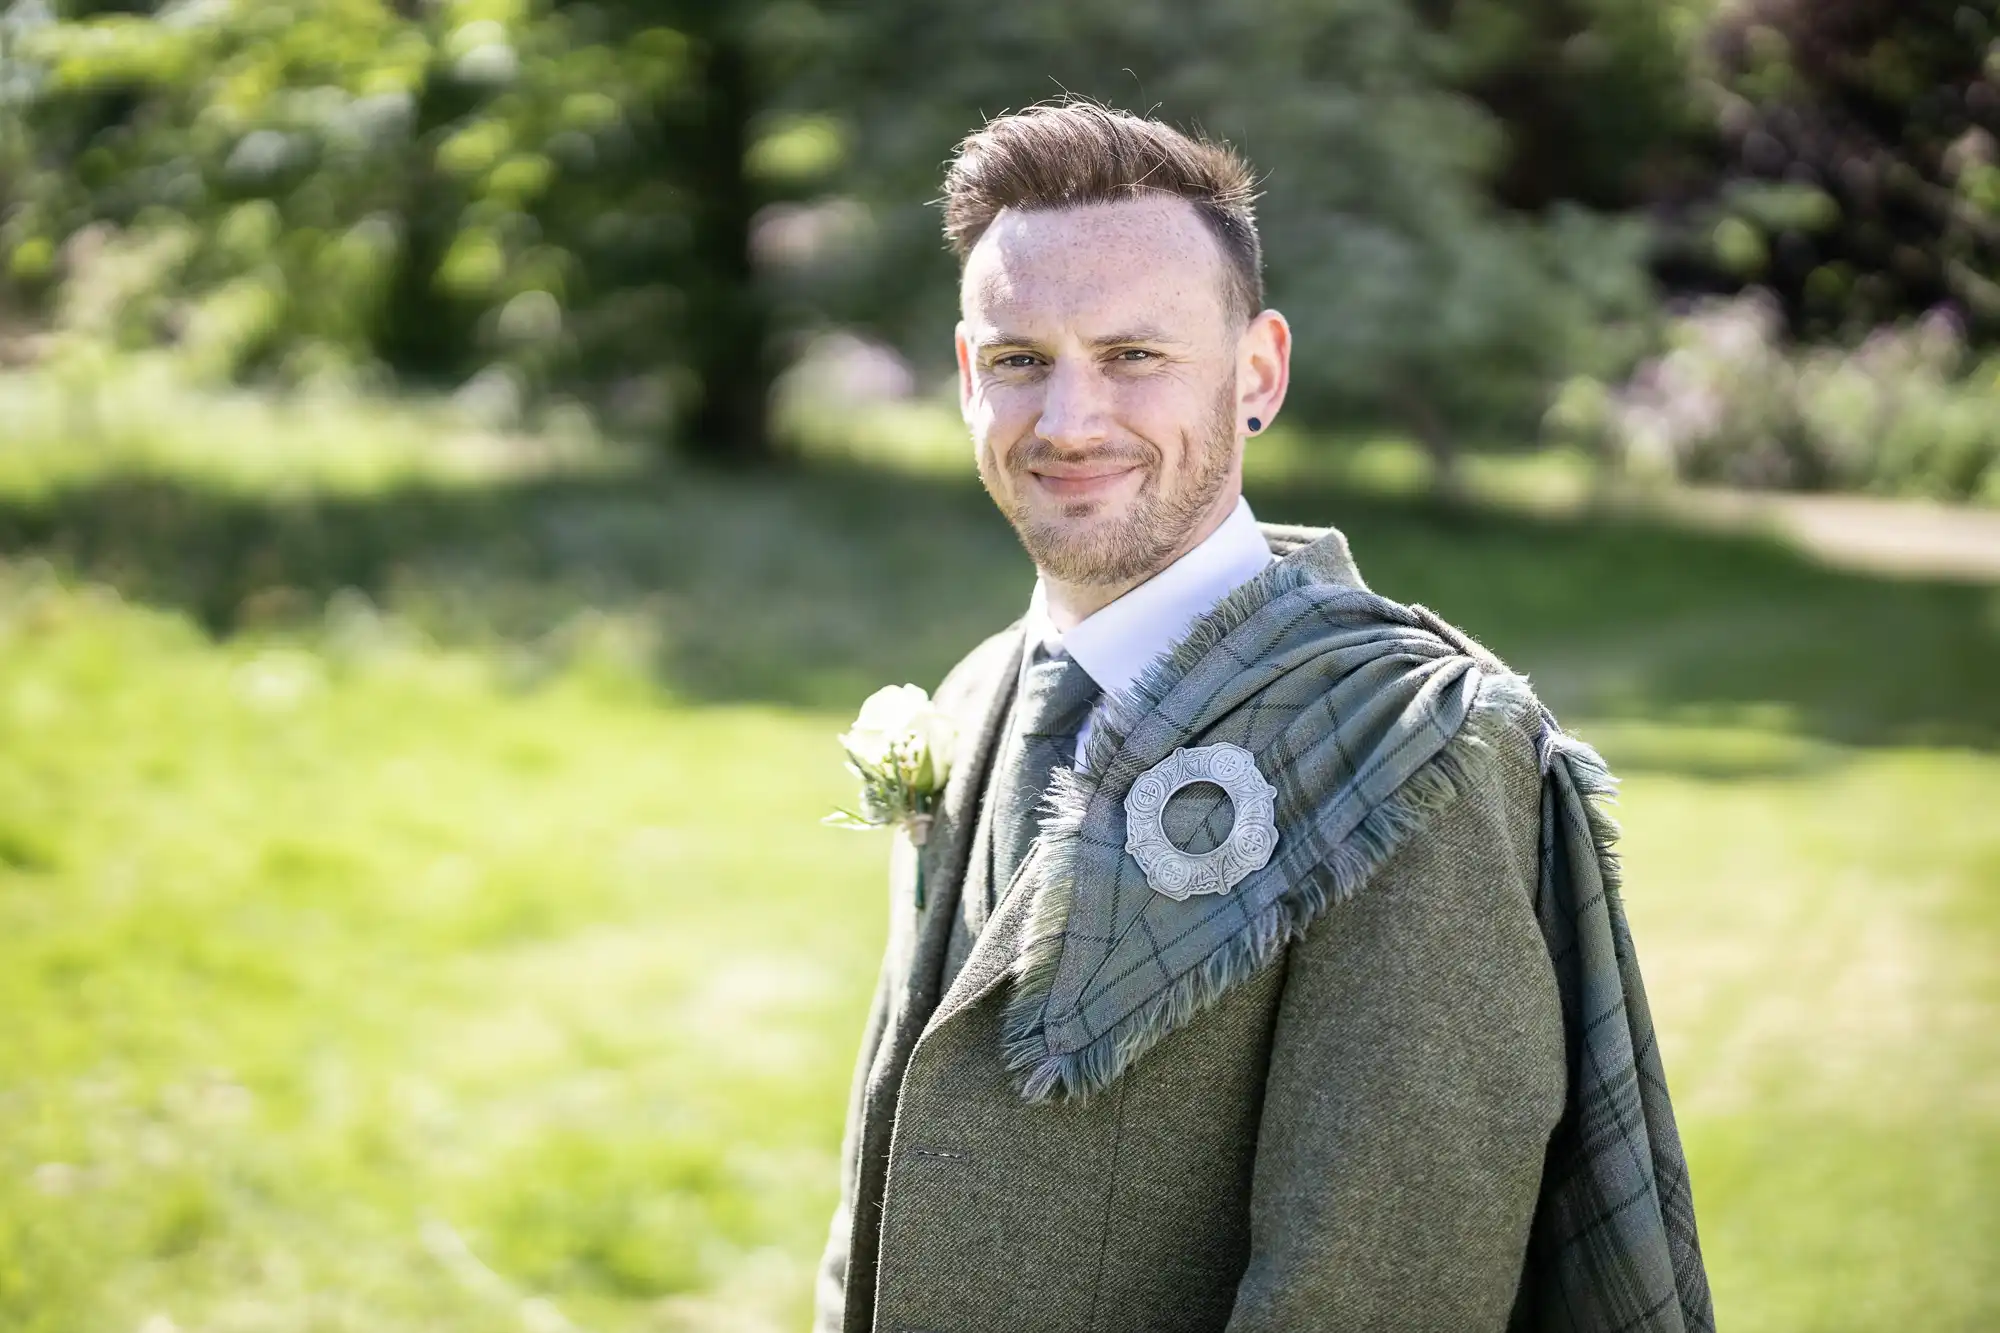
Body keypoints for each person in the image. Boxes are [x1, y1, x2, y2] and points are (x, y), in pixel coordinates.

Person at [813, 100, 1712, 1333]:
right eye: (1020, 359)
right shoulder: (975, 692)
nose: (1068, 421)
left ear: (1258, 375)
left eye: (1133, 355)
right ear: (969, 377)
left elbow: (1376, 1294)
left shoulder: (1418, 746)